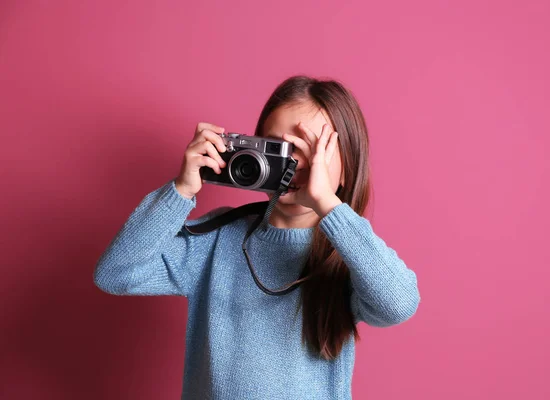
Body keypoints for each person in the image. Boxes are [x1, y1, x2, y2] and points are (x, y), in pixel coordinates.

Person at [93, 75, 420, 399]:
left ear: (347, 166)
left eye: (311, 148)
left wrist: (328, 205)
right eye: (278, 148)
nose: (294, 162)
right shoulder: (217, 240)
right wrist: (180, 191)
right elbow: (115, 274)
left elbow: (398, 304)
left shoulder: (349, 254)